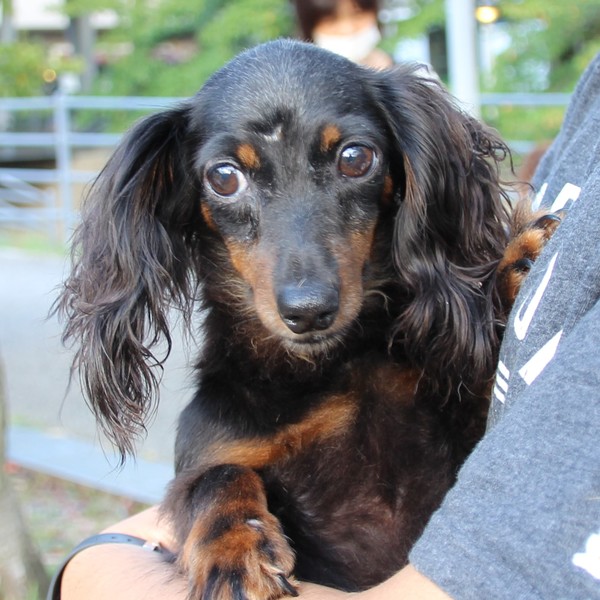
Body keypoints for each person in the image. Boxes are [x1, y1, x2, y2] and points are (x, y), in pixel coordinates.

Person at [55, 53, 600, 599]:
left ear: (404, 172)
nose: (306, 294)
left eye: (352, 160)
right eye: (226, 178)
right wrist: (215, 508)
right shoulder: (228, 444)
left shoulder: (441, 354)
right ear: (188, 197)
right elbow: (186, 500)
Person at [292, 0, 393, 69]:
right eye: (331, 21)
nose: (348, 29)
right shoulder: (295, 80)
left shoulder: (394, 71)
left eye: (358, 14)